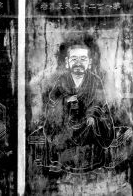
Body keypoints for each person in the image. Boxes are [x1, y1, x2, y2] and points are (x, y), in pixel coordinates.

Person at [42, 42, 116, 172]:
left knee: (94, 126)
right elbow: (52, 103)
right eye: (74, 59)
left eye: (83, 59)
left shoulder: (95, 81)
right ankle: (62, 161)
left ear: (89, 63)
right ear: (67, 62)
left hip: (88, 125)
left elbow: (101, 105)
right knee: (61, 128)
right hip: (67, 123)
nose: (78, 63)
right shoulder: (62, 80)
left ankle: (93, 163)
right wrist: (65, 101)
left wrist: (94, 116)